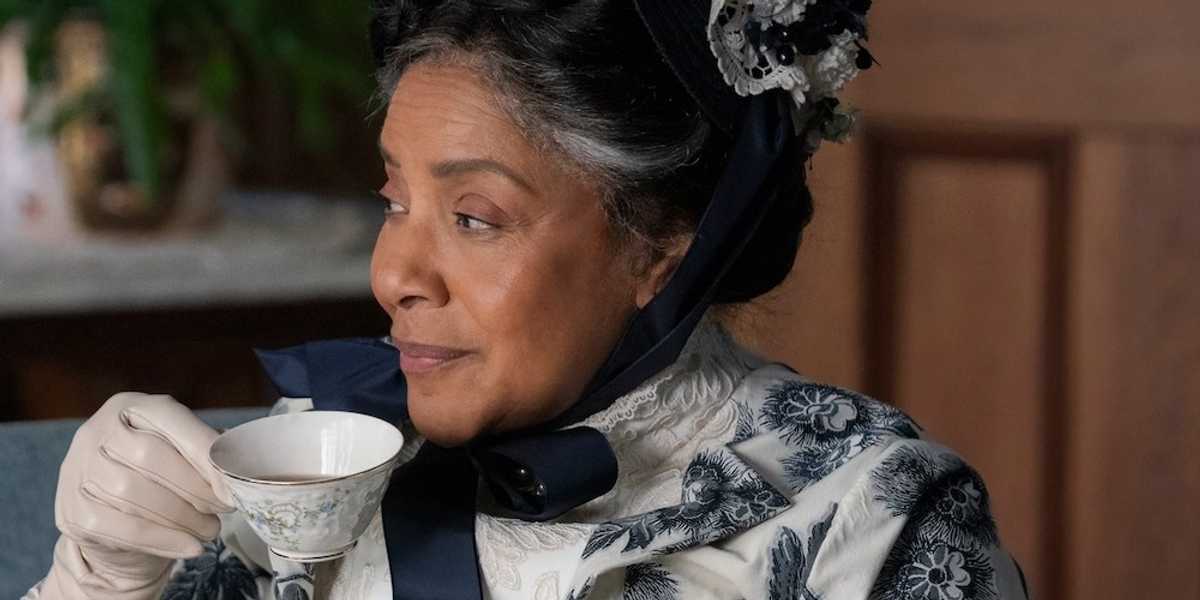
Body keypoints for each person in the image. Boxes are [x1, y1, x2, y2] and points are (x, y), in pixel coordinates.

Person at [24, 1, 1031, 599]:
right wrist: (101, 575)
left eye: (475, 218)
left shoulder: (875, 520)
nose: (393, 276)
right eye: (394, 202)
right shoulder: (310, 468)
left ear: (661, 248)